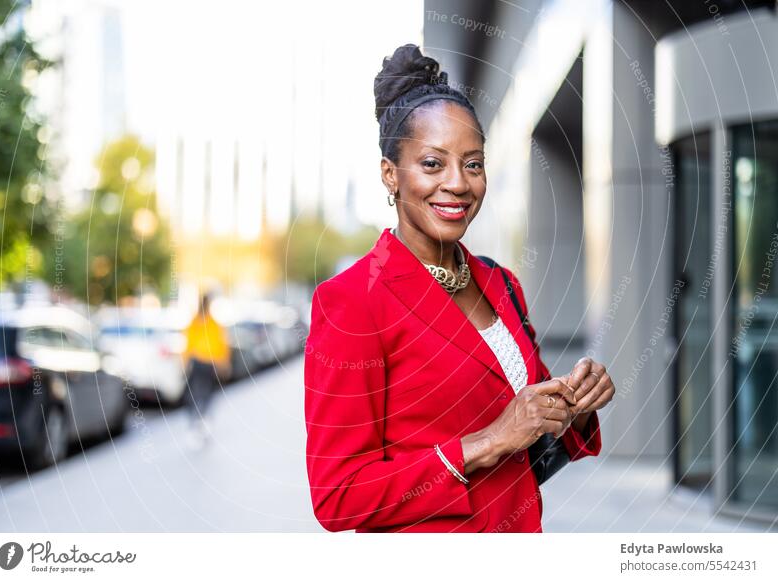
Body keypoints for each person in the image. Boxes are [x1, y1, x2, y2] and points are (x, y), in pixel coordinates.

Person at [303, 44, 616, 533]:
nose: (458, 184)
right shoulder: (351, 302)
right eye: (432, 164)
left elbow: (529, 435)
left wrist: (574, 405)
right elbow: (339, 497)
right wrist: (489, 441)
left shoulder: (501, 282)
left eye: (473, 164)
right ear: (391, 174)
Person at [182, 292, 231, 447]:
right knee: (204, 394)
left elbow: (188, 344)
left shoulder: (197, 323)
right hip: (207, 362)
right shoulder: (210, 323)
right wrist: (224, 362)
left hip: (200, 362)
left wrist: (185, 362)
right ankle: (201, 421)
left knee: (197, 394)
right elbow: (221, 344)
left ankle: (199, 421)